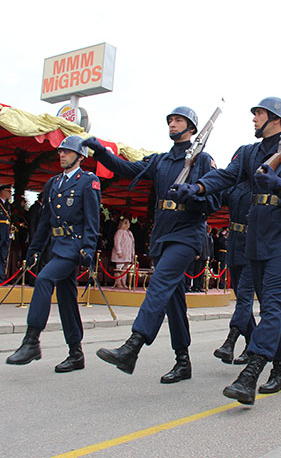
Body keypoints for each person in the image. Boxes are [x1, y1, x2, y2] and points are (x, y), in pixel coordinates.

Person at [171, 96, 281, 405]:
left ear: (275, 119)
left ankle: (251, 373)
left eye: (259, 114)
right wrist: (197, 188)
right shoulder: (250, 152)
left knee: (272, 306)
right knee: (268, 307)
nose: (253, 119)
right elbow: (225, 175)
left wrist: (278, 185)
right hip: (257, 239)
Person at [85, 106, 220, 384]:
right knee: (173, 300)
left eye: (178, 120)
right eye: (170, 120)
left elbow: (215, 201)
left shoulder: (202, 160)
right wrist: (101, 154)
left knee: (159, 283)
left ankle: (132, 346)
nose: (172, 124)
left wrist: (191, 196)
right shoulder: (160, 160)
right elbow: (127, 169)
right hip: (163, 235)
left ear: (192, 128)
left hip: (186, 234)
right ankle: (183, 361)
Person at [6, 135, 101, 372]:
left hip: (74, 246)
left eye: (67, 152)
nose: (62, 155)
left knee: (45, 279)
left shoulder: (88, 181)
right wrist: (34, 249)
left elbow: (92, 219)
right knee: (67, 299)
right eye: (60, 151)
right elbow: (46, 221)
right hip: (57, 246)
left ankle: (31, 341)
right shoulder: (53, 183)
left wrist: (88, 248)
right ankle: (76, 353)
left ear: (80, 156)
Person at [213, 180, 256, 364]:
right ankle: (252, 345)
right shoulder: (236, 186)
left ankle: (230, 341)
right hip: (235, 245)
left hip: (253, 245)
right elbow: (218, 197)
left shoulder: (262, 183)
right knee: (242, 300)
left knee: (245, 298)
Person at [111, 217, 135, 288]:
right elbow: (117, 242)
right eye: (128, 223)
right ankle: (118, 283)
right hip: (120, 254)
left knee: (125, 269)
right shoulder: (119, 232)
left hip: (127, 254)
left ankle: (124, 283)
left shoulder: (129, 233)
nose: (129, 224)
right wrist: (119, 252)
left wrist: (132, 254)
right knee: (119, 268)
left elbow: (132, 244)